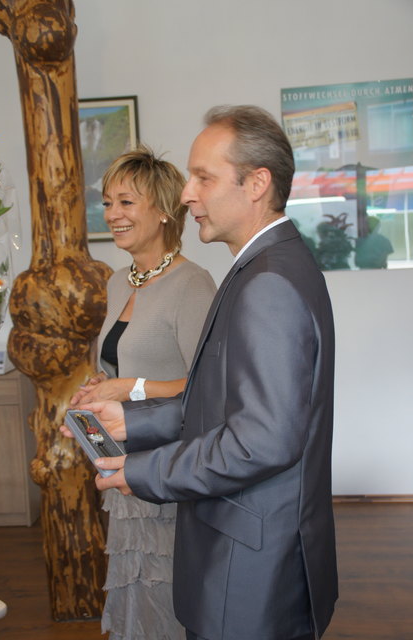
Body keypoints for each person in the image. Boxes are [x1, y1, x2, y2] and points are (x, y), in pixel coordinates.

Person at [64, 106, 338, 640]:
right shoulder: (264, 267)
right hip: (249, 547)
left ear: (256, 183)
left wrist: (145, 471)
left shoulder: (268, 282)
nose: (187, 194)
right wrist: (129, 420)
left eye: (203, 178)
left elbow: (260, 440)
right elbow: (219, 401)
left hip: (250, 562)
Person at [69, 146, 217, 640]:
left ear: (164, 210)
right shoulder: (117, 282)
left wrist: (129, 386)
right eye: (108, 203)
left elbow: (208, 384)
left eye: (126, 202)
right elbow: (122, 366)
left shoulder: (193, 284)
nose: (113, 214)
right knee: (138, 588)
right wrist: (99, 387)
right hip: (124, 457)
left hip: (169, 465)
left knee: (168, 586)